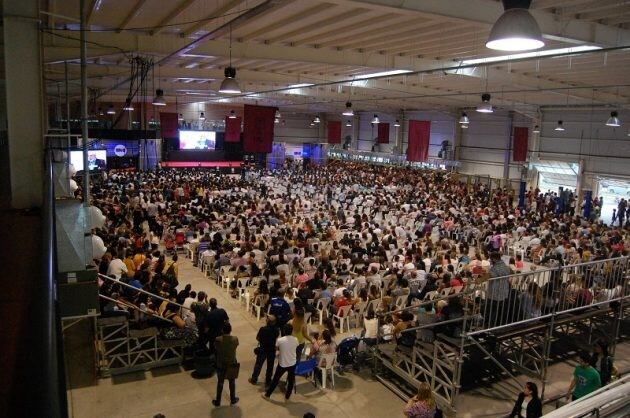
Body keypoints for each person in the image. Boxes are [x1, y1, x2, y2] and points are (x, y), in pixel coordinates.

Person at [262, 324, 299, 402]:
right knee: (291, 380)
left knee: (275, 380)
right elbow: (295, 347)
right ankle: (287, 397)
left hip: (283, 363)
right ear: (292, 331)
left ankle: (267, 395)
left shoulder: (280, 340)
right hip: (292, 362)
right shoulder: (295, 339)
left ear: (284, 331)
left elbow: (277, 349)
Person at [212, 322, 239, 407]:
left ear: (222, 330)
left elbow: (215, 347)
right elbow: (236, 346)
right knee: (232, 381)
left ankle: (218, 401)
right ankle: (233, 399)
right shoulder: (235, 339)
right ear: (230, 330)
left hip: (221, 363)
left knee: (220, 382)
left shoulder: (218, 339)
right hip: (231, 363)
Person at [249, 315, 280, 388]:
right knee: (270, 366)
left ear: (267, 321)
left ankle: (254, 379)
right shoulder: (276, 330)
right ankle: (268, 381)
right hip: (271, 350)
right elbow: (276, 337)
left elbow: (257, 338)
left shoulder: (263, 329)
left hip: (263, 349)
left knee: (258, 364)